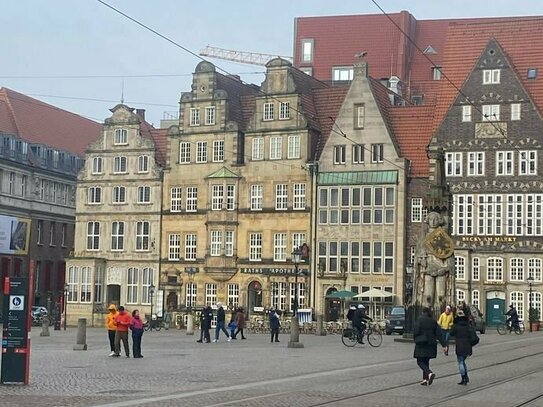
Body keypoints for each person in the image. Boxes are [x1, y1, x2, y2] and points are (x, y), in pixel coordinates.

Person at [413, 307, 444, 386]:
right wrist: (444, 345)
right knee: (426, 361)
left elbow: (416, 331)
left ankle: (429, 373)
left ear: (423, 312)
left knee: (420, 361)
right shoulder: (433, 321)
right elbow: (439, 333)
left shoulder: (420, 320)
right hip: (431, 344)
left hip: (422, 343)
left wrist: (415, 337)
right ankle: (425, 379)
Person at [450, 308, 473, 385]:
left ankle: (463, 378)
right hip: (467, 346)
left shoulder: (456, 326)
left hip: (460, 346)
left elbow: (451, 333)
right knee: (463, 362)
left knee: (460, 362)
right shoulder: (467, 325)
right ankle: (466, 377)